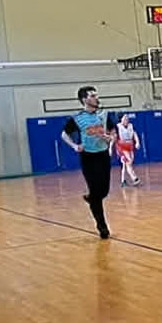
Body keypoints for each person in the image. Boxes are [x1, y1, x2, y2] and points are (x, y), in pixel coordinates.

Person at [60, 86, 114, 239]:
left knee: (104, 191)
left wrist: (111, 138)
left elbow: (112, 132)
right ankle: (102, 227)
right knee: (96, 192)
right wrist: (74, 146)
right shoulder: (77, 119)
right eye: (93, 96)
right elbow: (64, 134)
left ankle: (91, 198)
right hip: (88, 157)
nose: (97, 98)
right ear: (85, 100)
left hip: (103, 155)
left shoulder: (103, 116)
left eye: (96, 95)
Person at [115, 114, 142, 187]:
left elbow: (134, 134)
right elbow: (113, 137)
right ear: (121, 119)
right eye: (124, 118)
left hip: (130, 145)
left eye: (127, 118)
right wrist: (111, 148)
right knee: (128, 162)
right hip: (122, 146)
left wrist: (137, 142)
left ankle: (123, 181)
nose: (126, 120)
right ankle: (135, 179)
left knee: (127, 164)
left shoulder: (130, 126)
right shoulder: (118, 127)